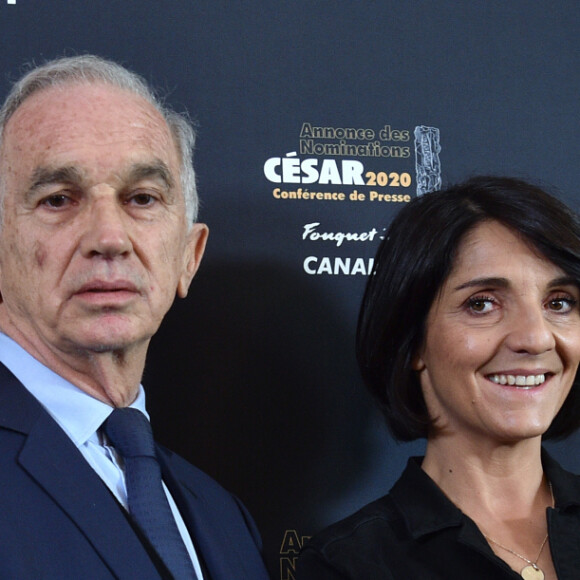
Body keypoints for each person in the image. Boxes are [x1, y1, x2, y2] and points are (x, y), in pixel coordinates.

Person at [0, 55, 270, 579]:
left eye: (142, 198)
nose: (109, 238)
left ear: (188, 258)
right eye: (58, 199)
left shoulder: (222, 516)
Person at [297, 176, 580, 580]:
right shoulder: (350, 565)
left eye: (559, 302)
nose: (535, 338)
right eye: (482, 304)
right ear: (412, 341)